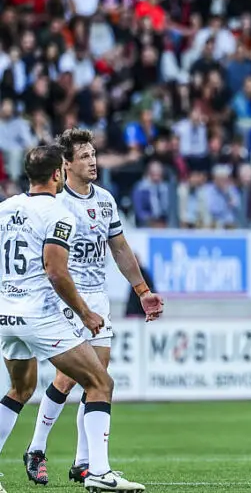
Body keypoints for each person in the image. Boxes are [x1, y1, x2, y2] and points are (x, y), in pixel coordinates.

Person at [22, 129, 164, 485]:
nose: (92, 161)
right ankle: (37, 448)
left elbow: (119, 248)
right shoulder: (56, 203)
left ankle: (83, 462)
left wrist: (143, 289)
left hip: (98, 297)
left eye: (93, 154)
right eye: (84, 156)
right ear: (65, 164)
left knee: (97, 377)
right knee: (72, 375)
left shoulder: (104, 200)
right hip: (67, 297)